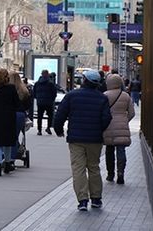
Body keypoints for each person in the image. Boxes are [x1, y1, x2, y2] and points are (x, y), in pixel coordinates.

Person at [53, 70, 112, 211]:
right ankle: (96, 198)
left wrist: (59, 129)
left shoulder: (72, 95)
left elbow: (60, 114)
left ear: (84, 80)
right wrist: (99, 129)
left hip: (76, 138)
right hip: (95, 139)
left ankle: (82, 200)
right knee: (94, 167)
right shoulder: (102, 98)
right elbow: (107, 118)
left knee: (78, 169)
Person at [103, 74, 135, 185]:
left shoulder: (105, 95)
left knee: (109, 151)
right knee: (121, 151)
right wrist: (125, 121)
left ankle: (110, 174)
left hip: (108, 127)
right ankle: (120, 173)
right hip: (122, 127)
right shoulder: (126, 96)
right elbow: (132, 113)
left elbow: (101, 112)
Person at [9, 71, 32, 168]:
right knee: (15, 137)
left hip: (8, 114)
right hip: (20, 115)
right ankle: (12, 158)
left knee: (7, 136)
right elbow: (28, 105)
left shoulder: (7, 89)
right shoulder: (24, 90)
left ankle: (6, 156)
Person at [32, 69, 57, 136]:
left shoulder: (37, 83)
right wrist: (52, 99)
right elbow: (54, 93)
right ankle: (48, 127)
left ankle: (39, 130)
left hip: (40, 102)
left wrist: (38, 98)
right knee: (50, 115)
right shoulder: (50, 83)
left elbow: (34, 92)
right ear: (48, 74)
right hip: (48, 102)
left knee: (40, 116)